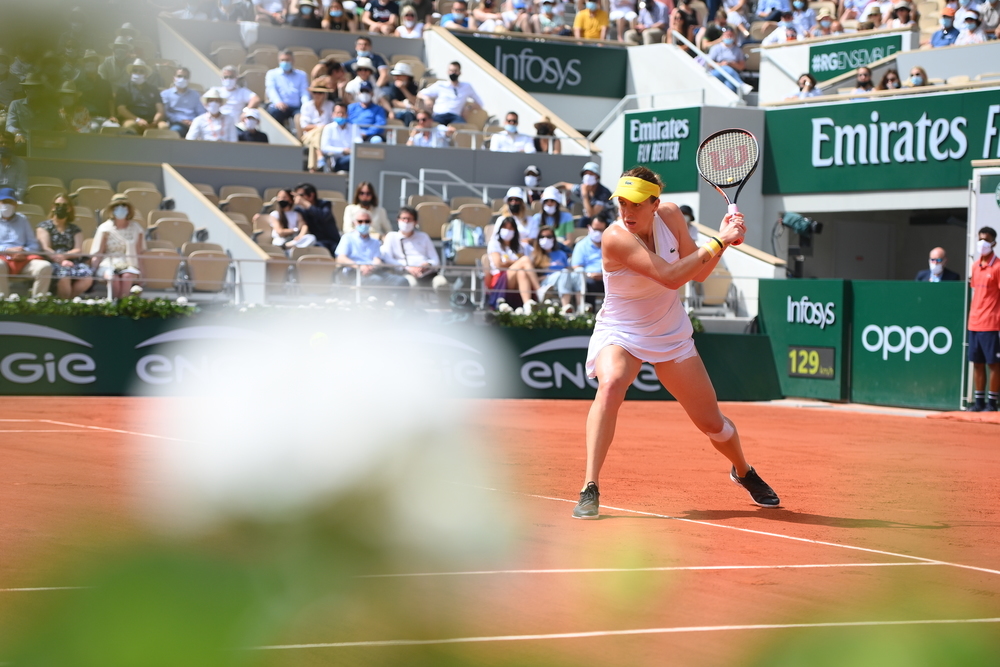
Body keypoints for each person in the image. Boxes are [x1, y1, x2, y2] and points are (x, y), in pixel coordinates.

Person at [571, 167, 779, 520]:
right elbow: (669, 277)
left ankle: (742, 470)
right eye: (621, 202)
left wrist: (725, 243)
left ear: (656, 204)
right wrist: (719, 239)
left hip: (669, 331)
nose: (627, 210)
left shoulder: (671, 217)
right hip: (621, 331)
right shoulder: (614, 237)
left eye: (636, 203)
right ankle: (590, 487)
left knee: (712, 423)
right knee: (610, 386)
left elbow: (697, 272)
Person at [35, 193, 93, 298]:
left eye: (64, 205)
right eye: (57, 205)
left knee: (87, 278)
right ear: (53, 207)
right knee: (64, 276)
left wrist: (65, 257)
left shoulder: (75, 229)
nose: (60, 208)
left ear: (69, 209)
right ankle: (65, 304)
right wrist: (61, 260)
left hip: (71, 261)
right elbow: (45, 248)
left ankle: (67, 302)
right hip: (52, 260)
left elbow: (78, 249)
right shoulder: (43, 227)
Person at [967, 227, 1000, 411]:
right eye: (980, 239)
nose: (982, 243)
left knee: (993, 363)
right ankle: (979, 402)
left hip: (992, 323)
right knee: (977, 363)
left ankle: (992, 403)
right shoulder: (975, 265)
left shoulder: (998, 267)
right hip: (974, 322)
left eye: (986, 240)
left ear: (993, 243)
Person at [335, 210, 406, 293]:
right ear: (354, 223)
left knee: (402, 281)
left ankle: (398, 306)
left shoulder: (375, 241)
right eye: (360, 221)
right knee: (376, 281)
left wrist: (372, 266)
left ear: (371, 223)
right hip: (355, 272)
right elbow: (340, 258)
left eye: (367, 221)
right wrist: (359, 266)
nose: (364, 224)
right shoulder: (347, 238)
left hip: (374, 270)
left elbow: (377, 259)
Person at [0, 188, 52, 297]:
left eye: (10, 202)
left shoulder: (22, 219)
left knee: (45, 267)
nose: (7, 205)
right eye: (4, 202)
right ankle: (3, 303)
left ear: (16, 205)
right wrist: (8, 250)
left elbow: (34, 244)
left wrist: (23, 251)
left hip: (23, 259)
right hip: (2, 259)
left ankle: (38, 304)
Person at [91, 194, 144, 299]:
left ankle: (123, 306)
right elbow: (99, 253)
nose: (120, 208)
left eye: (124, 205)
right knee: (113, 278)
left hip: (129, 263)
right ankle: (114, 306)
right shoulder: (104, 228)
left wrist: (143, 274)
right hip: (108, 262)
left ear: (129, 209)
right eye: (117, 206)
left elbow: (139, 253)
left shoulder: (136, 228)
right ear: (112, 209)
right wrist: (92, 272)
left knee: (127, 276)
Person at [380, 206, 444, 287]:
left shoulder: (424, 236)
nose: (406, 222)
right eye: (403, 218)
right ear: (398, 220)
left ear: (415, 222)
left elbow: (435, 260)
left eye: (409, 219)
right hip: (405, 274)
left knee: (442, 284)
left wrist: (428, 264)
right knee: (412, 285)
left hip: (427, 274)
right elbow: (388, 258)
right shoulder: (391, 236)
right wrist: (407, 268)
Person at [418, 62, 483, 126]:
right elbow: (420, 93)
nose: (453, 73)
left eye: (455, 71)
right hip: (439, 116)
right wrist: (426, 98)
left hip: (455, 117)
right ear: (447, 72)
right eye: (451, 70)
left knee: (462, 128)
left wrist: (469, 107)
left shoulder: (467, 86)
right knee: (433, 126)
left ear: (460, 72)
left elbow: (480, 103)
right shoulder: (440, 85)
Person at [114, 60, 165, 134]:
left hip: (151, 120)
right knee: (129, 126)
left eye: (141, 71)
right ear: (130, 73)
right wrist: (138, 120)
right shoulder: (123, 88)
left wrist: (155, 122)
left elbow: (160, 110)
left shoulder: (153, 89)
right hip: (132, 119)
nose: (138, 73)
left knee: (164, 127)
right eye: (135, 70)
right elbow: (121, 109)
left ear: (146, 74)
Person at [557, 161, 612, 228]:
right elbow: (564, 185)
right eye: (586, 174)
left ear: (597, 177)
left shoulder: (603, 192)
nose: (588, 176)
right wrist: (549, 189)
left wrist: (585, 195)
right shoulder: (581, 188)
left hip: (605, 221)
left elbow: (591, 214)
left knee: (584, 220)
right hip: (590, 221)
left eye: (591, 174)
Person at [568, 216, 607, 309]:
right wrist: (589, 275)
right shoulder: (581, 245)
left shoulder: (612, 245)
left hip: (608, 278)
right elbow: (576, 266)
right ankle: (589, 312)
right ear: (589, 227)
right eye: (595, 229)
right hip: (588, 278)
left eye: (601, 230)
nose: (597, 232)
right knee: (588, 284)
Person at [486, 216, 528, 296]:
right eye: (505, 227)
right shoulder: (494, 244)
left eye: (511, 228)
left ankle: (527, 304)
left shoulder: (519, 247)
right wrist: (517, 263)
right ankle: (538, 289)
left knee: (522, 272)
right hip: (500, 278)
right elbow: (499, 265)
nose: (507, 231)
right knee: (525, 260)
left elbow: (524, 267)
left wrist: (508, 262)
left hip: (516, 278)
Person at [293, 183, 341, 253]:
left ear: (311, 195)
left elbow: (323, 216)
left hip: (333, 240)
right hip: (317, 242)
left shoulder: (324, 204)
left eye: (301, 195)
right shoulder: (299, 210)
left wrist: (305, 203)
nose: (299, 198)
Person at [265, 50, 309, 126]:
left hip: (296, 107)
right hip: (280, 106)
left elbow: (304, 92)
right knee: (274, 113)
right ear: (279, 61)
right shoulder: (272, 74)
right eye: (282, 60)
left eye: (287, 60)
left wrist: (306, 106)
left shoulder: (301, 75)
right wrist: (278, 102)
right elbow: (271, 90)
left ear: (293, 61)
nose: (285, 62)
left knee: (305, 116)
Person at [161, 67, 205, 137]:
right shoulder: (166, 94)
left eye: (185, 77)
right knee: (175, 131)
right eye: (179, 76)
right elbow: (166, 112)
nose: (182, 79)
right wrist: (181, 120)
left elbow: (201, 112)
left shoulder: (195, 94)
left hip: (194, 123)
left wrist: (194, 122)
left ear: (188, 80)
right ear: (174, 78)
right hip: (177, 123)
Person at [74, 50, 114, 125]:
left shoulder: (106, 84)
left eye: (92, 60)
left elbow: (110, 101)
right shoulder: (78, 84)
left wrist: (112, 116)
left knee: (114, 127)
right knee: (92, 128)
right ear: (83, 64)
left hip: (105, 119)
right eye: (87, 61)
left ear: (98, 63)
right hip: (86, 119)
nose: (90, 62)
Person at [317, 102, 359, 171]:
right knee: (353, 159)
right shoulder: (328, 128)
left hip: (354, 157)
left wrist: (352, 150)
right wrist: (342, 150)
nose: (340, 115)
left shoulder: (354, 128)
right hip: (338, 161)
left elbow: (359, 142)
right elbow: (324, 148)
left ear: (347, 115)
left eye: (343, 113)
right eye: (338, 113)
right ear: (333, 114)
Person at [706, 28, 745, 93]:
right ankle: (741, 85)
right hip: (717, 72)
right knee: (726, 68)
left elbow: (742, 66)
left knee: (729, 84)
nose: (728, 37)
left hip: (732, 75)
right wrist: (722, 64)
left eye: (730, 35)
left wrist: (731, 64)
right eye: (727, 35)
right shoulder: (716, 48)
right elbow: (709, 63)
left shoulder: (738, 50)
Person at [0, 133, 27, 201]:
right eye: (1, 142)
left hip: (13, 199)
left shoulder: (21, 164)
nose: (4, 145)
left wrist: (13, 200)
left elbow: (21, 187)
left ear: (13, 146)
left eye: (7, 143)